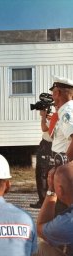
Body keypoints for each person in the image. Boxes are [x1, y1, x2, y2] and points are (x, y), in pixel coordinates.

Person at [32, 162, 73, 256]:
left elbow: (41, 227)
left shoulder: (67, 222)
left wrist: (51, 190)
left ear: (60, 190)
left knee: (38, 252)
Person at [49, 76, 73, 214]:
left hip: (64, 165)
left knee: (62, 209)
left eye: (53, 92)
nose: (53, 96)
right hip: (66, 163)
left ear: (57, 92)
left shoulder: (66, 111)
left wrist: (64, 167)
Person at [30, 110, 53, 209]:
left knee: (42, 174)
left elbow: (44, 128)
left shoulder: (59, 114)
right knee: (51, 173)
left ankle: (43, 201)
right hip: (56, 146)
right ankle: (51, 200)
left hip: (47, 144)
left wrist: (43, 117)